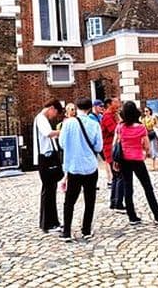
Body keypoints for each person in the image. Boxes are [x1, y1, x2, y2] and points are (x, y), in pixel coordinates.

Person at [114, 101, 158, 226]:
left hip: (124, 160)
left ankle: (132, 216)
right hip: (137, 160)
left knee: (128, 188)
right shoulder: (141, 128)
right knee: (147, 187)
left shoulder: (120, 127)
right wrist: (145, 153)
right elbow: (147, 146)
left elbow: (115, 143)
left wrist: (115, 160)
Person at [58, 97, 103, 241]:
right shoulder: (94, 124)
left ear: (77, 108)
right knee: (90, 200)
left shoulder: (69, 123)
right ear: (89, 108)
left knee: (69, 201)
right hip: (90, 166)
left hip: (74, 166)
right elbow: (98, 147)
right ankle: (86, 229)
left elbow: (62, 144)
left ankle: (66, 231)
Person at [33, 99, 63, 234]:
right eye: (55, 113)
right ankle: (48, 223)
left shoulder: (42, 119)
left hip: (47, 157)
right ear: (51, 108)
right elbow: (48, 133)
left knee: (50, 190)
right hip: (46, 158)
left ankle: (52, 221)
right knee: (49, 191)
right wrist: (62, 131)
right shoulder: (41, 119)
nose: (54, 116)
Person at [101, 97, 125, 210]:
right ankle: (118, 203)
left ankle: (114, 202)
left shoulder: (113, 115)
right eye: (116, 102)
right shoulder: (107, 117)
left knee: (116, 176)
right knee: (119, 175)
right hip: (111, 150)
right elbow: (116, 130)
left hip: (114, 149)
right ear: (109, 104)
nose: (119, 104)